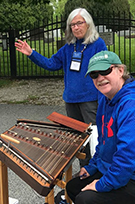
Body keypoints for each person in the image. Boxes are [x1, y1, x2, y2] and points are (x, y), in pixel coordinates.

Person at [65, 50, 135, 204]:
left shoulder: (133, 105)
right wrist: (92, 167)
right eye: (94, 75)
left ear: (120, 71)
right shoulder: (106, 98)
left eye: (106, 71)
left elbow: (129, 157)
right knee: (73, 187)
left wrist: (101, 184)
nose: (100, 78)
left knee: (86, 199)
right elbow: (104, 141)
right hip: (122, 170)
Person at [15, 8, 107, 167]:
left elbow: (104, 72)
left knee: (95, 138)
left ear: (88, 24)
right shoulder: (69, 47)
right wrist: (31, 53)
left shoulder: (97, 44)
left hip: (91, 100)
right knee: (77, 140)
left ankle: (98, 171)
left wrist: (102, 99)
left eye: (79, 23)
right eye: (72, 25)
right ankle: (84, 171)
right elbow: (51, 64)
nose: (76, 27)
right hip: (71, 100)